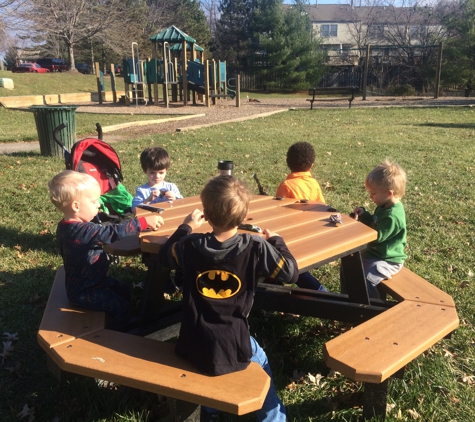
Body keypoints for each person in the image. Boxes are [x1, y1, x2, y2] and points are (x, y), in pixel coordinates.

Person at [158, 175, 298, 422]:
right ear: (243, 217)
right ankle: (273, 418)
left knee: (215, 361)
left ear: (207, 215)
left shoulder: (189, 245)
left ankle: (210, 411)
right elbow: (290, 272)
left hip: (192, 341)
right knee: (261, 359)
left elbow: (164, 257)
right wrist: (276, 240)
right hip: (235, 344)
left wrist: (186, 226)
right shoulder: (255, 246)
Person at [48, 170, 164, 328]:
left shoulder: (65, 226)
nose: (99, 204)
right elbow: (111, 233)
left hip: (96, 280)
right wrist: (142, 223)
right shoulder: (84, 231)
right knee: (119, 306)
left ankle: (130, 313)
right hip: (84, 291)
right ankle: (119, 331)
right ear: (76, 206)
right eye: (94, 201)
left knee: (123, 289)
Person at [349, 159, 407, 299]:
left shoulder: (392, 216)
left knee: (367, 278)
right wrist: (365, 215)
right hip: (375, 254)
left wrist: (357, 230)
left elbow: (376, 236)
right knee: (350, 266)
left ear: (389, 193)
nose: (370, 196)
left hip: (388, 259)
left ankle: (373, 306)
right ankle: (350, 297)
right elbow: (374, 222)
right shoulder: (384, 205)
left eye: (373, 193)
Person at [276, 141, 327, 291]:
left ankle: (319, 291)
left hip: (292, 238)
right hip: (312, 235)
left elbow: (279, 215)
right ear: (311, 165)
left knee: (291, 265)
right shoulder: (314, 183)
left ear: (288, 163)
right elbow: (322, 208)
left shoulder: (285, 186)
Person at [132, 146, 183, 212]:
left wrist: (175, 198)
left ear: (166, 170)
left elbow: (182, 203)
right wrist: (148, 200)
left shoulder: (171, 187)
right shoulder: (142, 190)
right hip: (151, 220)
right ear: (145, 170)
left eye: (161, 172)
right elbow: (134, 209)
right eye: (152, 172)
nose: (157, 176)